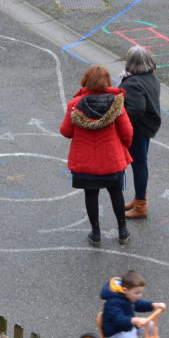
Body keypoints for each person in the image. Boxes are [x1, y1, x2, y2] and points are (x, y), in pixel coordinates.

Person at [61, 65, 133, 247]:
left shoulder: (75, 104)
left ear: (86, 81)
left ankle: (96, 233)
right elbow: (127, 132)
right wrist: (122, 147)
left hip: (86, 162)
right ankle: (123, 231)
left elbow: (66, 132)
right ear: (107, 81)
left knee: (91, 194)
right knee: (116, 192)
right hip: (112, 160)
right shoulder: (116, 104)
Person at [119, 46, 162, 220]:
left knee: (138, 165)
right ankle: (139, 198)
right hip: (149, 126)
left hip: (139, 129)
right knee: (140, 164)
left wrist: (123, 124)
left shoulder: (133, 83)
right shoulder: (151, 77)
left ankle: (140, 206)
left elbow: (136, 109)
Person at [99, 271, 169, 338]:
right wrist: (135, 320)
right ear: (125, 290)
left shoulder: (127, 295)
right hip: (117, 333)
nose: (139, 295)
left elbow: (138, 304)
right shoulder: (113, 303)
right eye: (136, 293)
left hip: (129, 327)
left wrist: (154, 304)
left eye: (141, 292)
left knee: (150, 324)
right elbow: (119, 320)